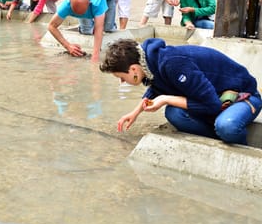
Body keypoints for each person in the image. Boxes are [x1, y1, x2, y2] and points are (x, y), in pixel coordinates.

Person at [99, 38, 262, 145]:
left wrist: (165, 99)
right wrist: (136, 112)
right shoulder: (150, 63)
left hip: (242, 97)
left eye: (121, 77)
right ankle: (218, 141)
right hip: (217, 98)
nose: (121, 81)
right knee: (174, 114)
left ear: (134, 69)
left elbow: (212, 105)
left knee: (227, 126)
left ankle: (242, 148)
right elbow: (157, 87)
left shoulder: (172, 63)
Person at [47, 0, 115, 62]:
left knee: (107, 27)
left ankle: (110, 23)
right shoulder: (66, 4)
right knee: (86, 30)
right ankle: (85, 25)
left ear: (89, 5)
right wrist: (67, 46)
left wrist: (95, 56)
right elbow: (51, 26)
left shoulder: (98, 1)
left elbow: (99, 29)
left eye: (83, 13)